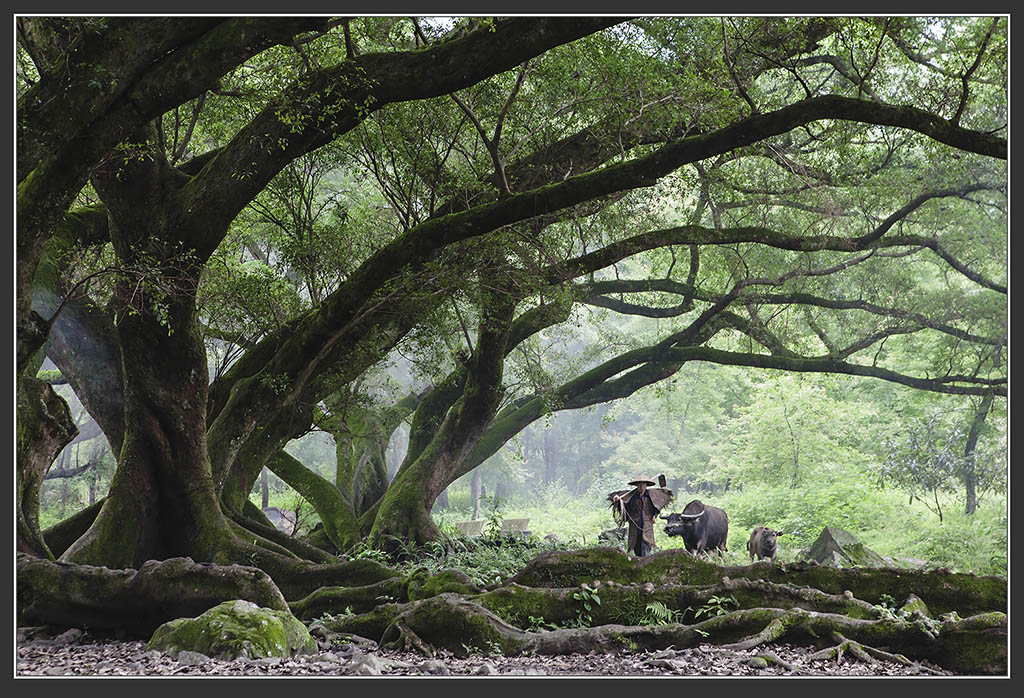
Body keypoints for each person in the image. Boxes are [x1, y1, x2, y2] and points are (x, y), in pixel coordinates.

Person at [608, 475, 673, 557]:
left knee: (645, 550)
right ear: (636, 486)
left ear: (646, 485)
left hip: (647, 527)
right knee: (637, 550)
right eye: (639, 485)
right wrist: (617, 502)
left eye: (643, 484)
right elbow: (625, 509)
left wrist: (654, 516)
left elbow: (656, 507)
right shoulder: (632, 497)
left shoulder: (650, 496)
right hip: (635, 527)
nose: (641, 487)